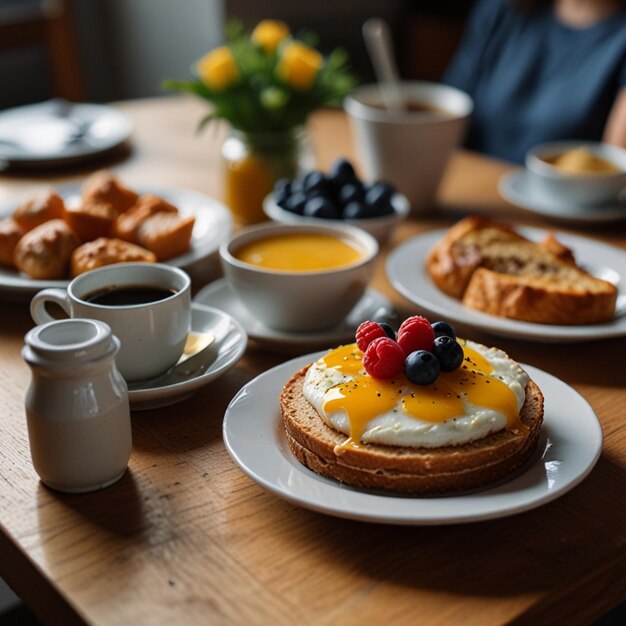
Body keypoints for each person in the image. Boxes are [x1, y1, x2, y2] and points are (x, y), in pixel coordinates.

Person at [443, 0, 626, 163]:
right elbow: (446, 115)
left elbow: (615, 170)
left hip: (561, 200)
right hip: (468, 189)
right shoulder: (502, 9)